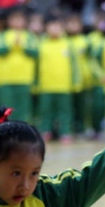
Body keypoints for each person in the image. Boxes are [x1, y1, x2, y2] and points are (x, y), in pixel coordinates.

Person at [36, 14, 80, 143]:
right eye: (52, 26)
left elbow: (74, 65)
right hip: (46, 86)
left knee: (65, 111)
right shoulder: (41, 44)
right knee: (45, 111)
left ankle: (65, 131)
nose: (55, 28)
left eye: (58, 26)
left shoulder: (68, 44)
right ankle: (46, 131)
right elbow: (36, 67)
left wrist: (76, 82)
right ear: (46, 27)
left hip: (64, 86)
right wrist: (36, 83)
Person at [0, 5, 38, 123]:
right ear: (8, 21)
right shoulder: (3, 35)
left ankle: (23, 127)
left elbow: (35, 53)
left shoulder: (30, 36)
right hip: (6, 78)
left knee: (24, 106)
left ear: (25, 21)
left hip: (24, 78)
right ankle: (7, 127)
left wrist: (22, 46)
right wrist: (12, 45)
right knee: (7, 107)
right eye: (14, 19)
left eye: (20, 19)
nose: (17, 22)